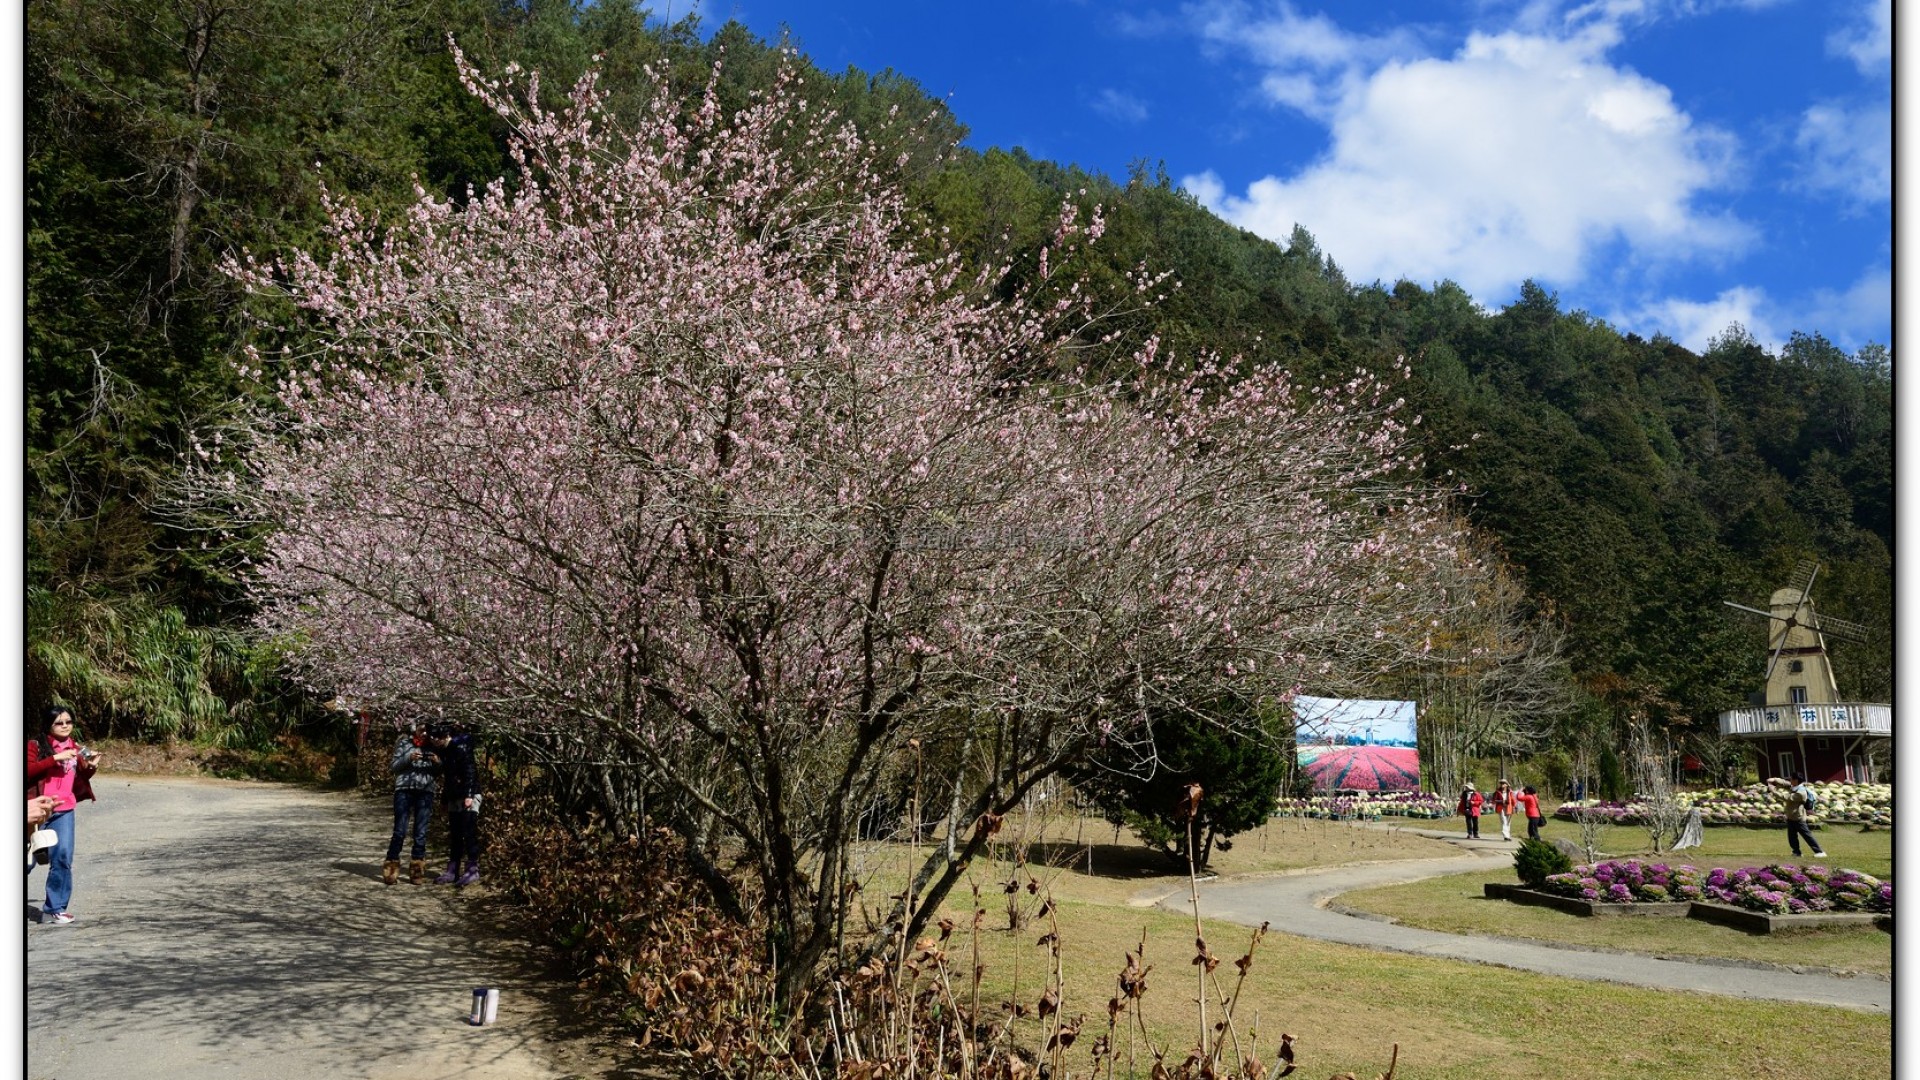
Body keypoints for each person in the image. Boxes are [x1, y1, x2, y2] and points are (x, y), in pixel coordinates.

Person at [26, 706, 102, 925]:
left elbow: (81, 774)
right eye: (59, 723)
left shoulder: (76, 747)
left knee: (62, 858)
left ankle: (54, 909)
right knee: (29, 860)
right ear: (48, 725)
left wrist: (91, 767)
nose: (65, 726)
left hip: (64, 810)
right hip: (36, 811)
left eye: (69, 721)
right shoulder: (35, 746)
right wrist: (55, 757)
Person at [383, 721, 441, 885]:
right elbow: (394, 766)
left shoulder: (433, 746)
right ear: (414, 729)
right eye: (421, 730)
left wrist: (437, 762)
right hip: (404, 790)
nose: (424, 733)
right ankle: (391, 867)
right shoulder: (404, 743)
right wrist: (409, 757)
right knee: (399, 830)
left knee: (420, 833)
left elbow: (439, 771)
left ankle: (417, 871)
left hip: (425, 791)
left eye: (426, 731)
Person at [432, 722, 483, 886]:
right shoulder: (445, 751)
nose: (434, 741)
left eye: (436, 738)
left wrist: (468, 795)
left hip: (468, 795)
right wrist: (444, 800)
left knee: (469, 832)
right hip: (454, 795)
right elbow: (448, 778)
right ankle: (452, 870)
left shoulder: (461, 747)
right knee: (455, 834)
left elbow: (470, 771)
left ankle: (472, 869)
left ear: (446, 736)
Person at [1783, 772, 1826, 859]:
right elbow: (1783, 783)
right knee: (1792, 837)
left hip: (1798, 817)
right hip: (1791, 817)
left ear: (1796, 780)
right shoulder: (1794, 787)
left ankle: (1819, 852)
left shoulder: (1801, 792)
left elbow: (1786, 797)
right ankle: (1796, 852)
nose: (1790, 780)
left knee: (1807, 835)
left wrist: (1773, 791)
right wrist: (1774, 780)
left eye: (1791, 779)